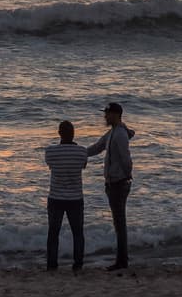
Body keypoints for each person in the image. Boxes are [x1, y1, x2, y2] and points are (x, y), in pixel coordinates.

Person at [87, 102, 135, 270]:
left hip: (118, 183)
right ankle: (122, 260)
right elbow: (97, 147)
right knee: (118, 222)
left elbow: (126, 159)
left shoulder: (120, 134)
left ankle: (122, 261)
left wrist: (127, 177)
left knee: (119, 223)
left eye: (107, 113)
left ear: (115, 115)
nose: (105, 116)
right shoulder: (112, 133)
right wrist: (78, 153)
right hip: (114, 183)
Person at [42, 119, 89, 271]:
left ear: (59, 134)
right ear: (74, 134)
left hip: (56, 197)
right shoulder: (82, 151)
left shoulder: (50, 151)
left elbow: (50, 166)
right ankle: (78, 264)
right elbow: (83, 166)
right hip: (75, 198)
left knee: (53, 233)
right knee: (78, 233)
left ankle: (52, 264)